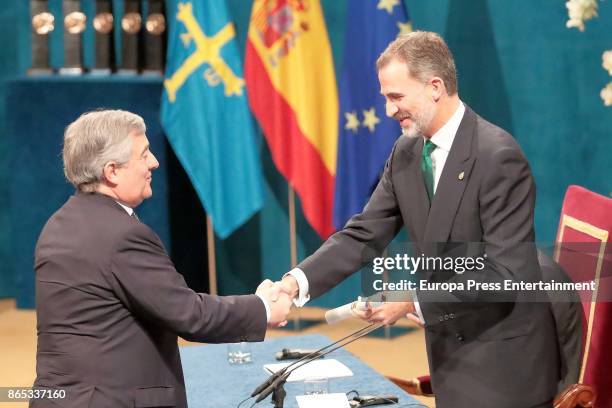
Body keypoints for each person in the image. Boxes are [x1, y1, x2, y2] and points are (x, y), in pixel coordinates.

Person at [275, 31, 561, 407]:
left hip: (502, 368)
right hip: (450, 357)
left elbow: (506, 275)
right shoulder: (406, 151)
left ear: (435, 87)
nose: (389, 110)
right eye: (386, 98)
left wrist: (410, 300)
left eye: (396, 97)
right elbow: (363, 234)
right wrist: (295, 284)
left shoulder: (497, 155)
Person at [31, 110, 292, 408]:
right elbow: (190, 314)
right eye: (143, 155)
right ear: (112, 171)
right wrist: (263, 308)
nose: (154, 162)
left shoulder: (58, 224)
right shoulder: (121, 236)